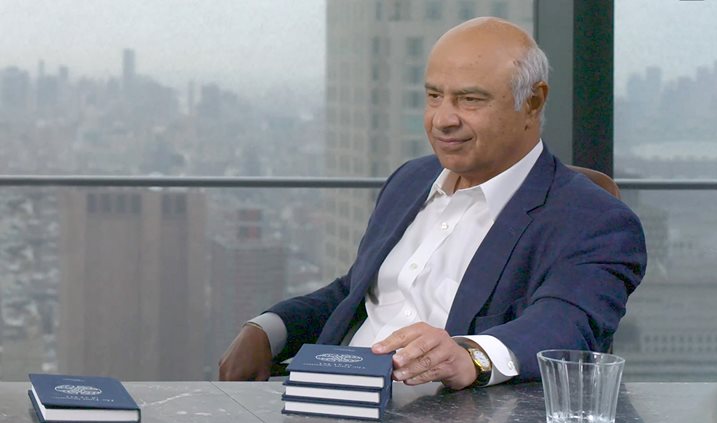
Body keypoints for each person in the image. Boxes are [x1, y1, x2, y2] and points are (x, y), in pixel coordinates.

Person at [219, 17, 646, 390]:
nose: (443, 119)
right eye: (434, 96)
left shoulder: (595, 219)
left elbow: (568, 324)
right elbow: (357, 293)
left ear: (532, 102)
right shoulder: (411, 180)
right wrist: (269, 329)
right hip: (333, 405)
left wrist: (470, 357)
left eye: (470, 99)